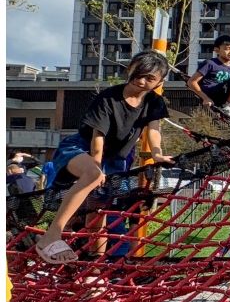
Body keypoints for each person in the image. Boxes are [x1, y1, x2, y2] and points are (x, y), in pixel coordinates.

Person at [32, 52, 177, 264]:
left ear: (160, 82)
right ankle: (51, 234)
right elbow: (97, 135)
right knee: (92, 176)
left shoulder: (154, 102)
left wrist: (156, 153)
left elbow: (153, 130)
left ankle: (95, 266)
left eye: (149, 78)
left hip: (115, 159)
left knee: (99, 207)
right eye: (138, 73)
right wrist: (97, 165)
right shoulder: (109, 97)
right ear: (130, 69)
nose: (141, 80)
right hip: (80, 148)